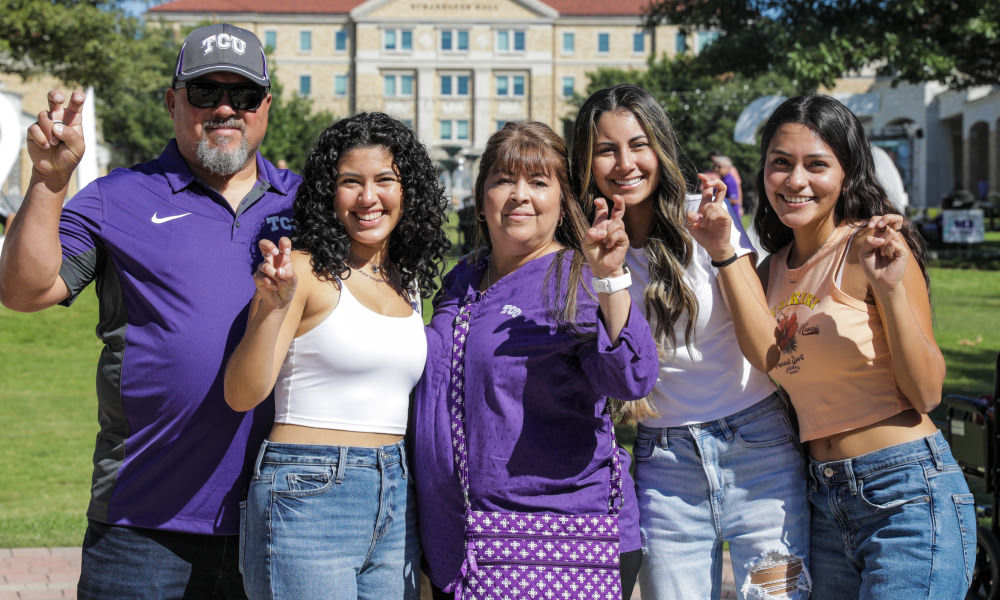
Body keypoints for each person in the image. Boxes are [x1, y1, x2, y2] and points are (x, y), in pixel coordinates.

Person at [0, 24, 299, 599]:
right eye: (204, 93)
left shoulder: (308, 203)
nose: (225, 109)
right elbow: (25, 291)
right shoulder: (119, 197)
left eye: (243, 95)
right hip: (141, 523)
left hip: (279, 520)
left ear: (266, 105)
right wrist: (47, 181)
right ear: (172, 101)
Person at [688, 94, 974, 598]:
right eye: (781, 164)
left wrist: (888, 288)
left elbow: (927, 393)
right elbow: (769, 358)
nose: (796, 181)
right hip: (823, 501)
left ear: (846, 172)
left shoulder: (873, 248)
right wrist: (722, 251)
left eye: (816, 164)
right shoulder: (768, 269)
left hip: (906, 492)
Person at [572, 84, 811, 600]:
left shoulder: (704, 215)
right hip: (665, 460)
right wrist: (605, 273)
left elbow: (766, 338)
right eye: (606, 150)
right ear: (586, 161)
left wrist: (725, 247)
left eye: (638, 145)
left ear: (659, 146)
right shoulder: (583, 245)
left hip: (759, 447)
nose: (624, 163)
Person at [412, 121, 659, 600]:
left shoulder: (576, 277)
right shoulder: (462, 278)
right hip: (458, 543)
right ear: (482, 195)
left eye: (539, 182)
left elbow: (632, 375)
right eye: (504, 180)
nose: (519, 195)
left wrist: (610, 279)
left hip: (555, 542)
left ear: (563, 200)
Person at [224, 112, 449, 599]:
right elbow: (242, 393)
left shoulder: (404, 281)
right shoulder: (302, 271)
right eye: (351, 182)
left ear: (408, 191)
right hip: (308, 491)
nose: (369, 198)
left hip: (394, 490)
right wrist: (269, 308)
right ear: (330, 192)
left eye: (384, 180)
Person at [712, 154, 743, 220]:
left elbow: (734, 200)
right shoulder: (723, 180)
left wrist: (715, 199)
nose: (716, 169)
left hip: (731, 217)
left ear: (728, 168)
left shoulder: (729, 181)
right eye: (715, 166)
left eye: (719, 167)